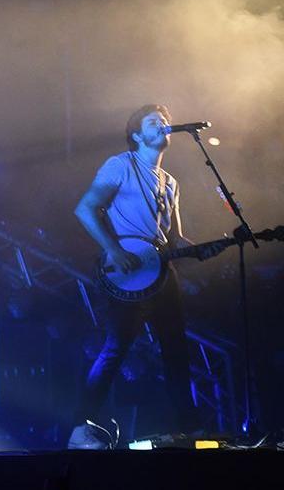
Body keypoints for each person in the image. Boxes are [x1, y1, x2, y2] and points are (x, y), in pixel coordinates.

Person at [68, 104, 217, 449]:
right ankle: (79, 428)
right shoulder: (120, 165)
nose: (164, 124)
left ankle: (189, 429)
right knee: (115, 350)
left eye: (165, 120)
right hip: (129, 276)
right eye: (154, 122)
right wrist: (114, 250)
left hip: (162, 274)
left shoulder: (171, 183)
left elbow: (174, 240)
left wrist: (201, 250)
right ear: (137, 135)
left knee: (177, 350)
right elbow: (85, 208)